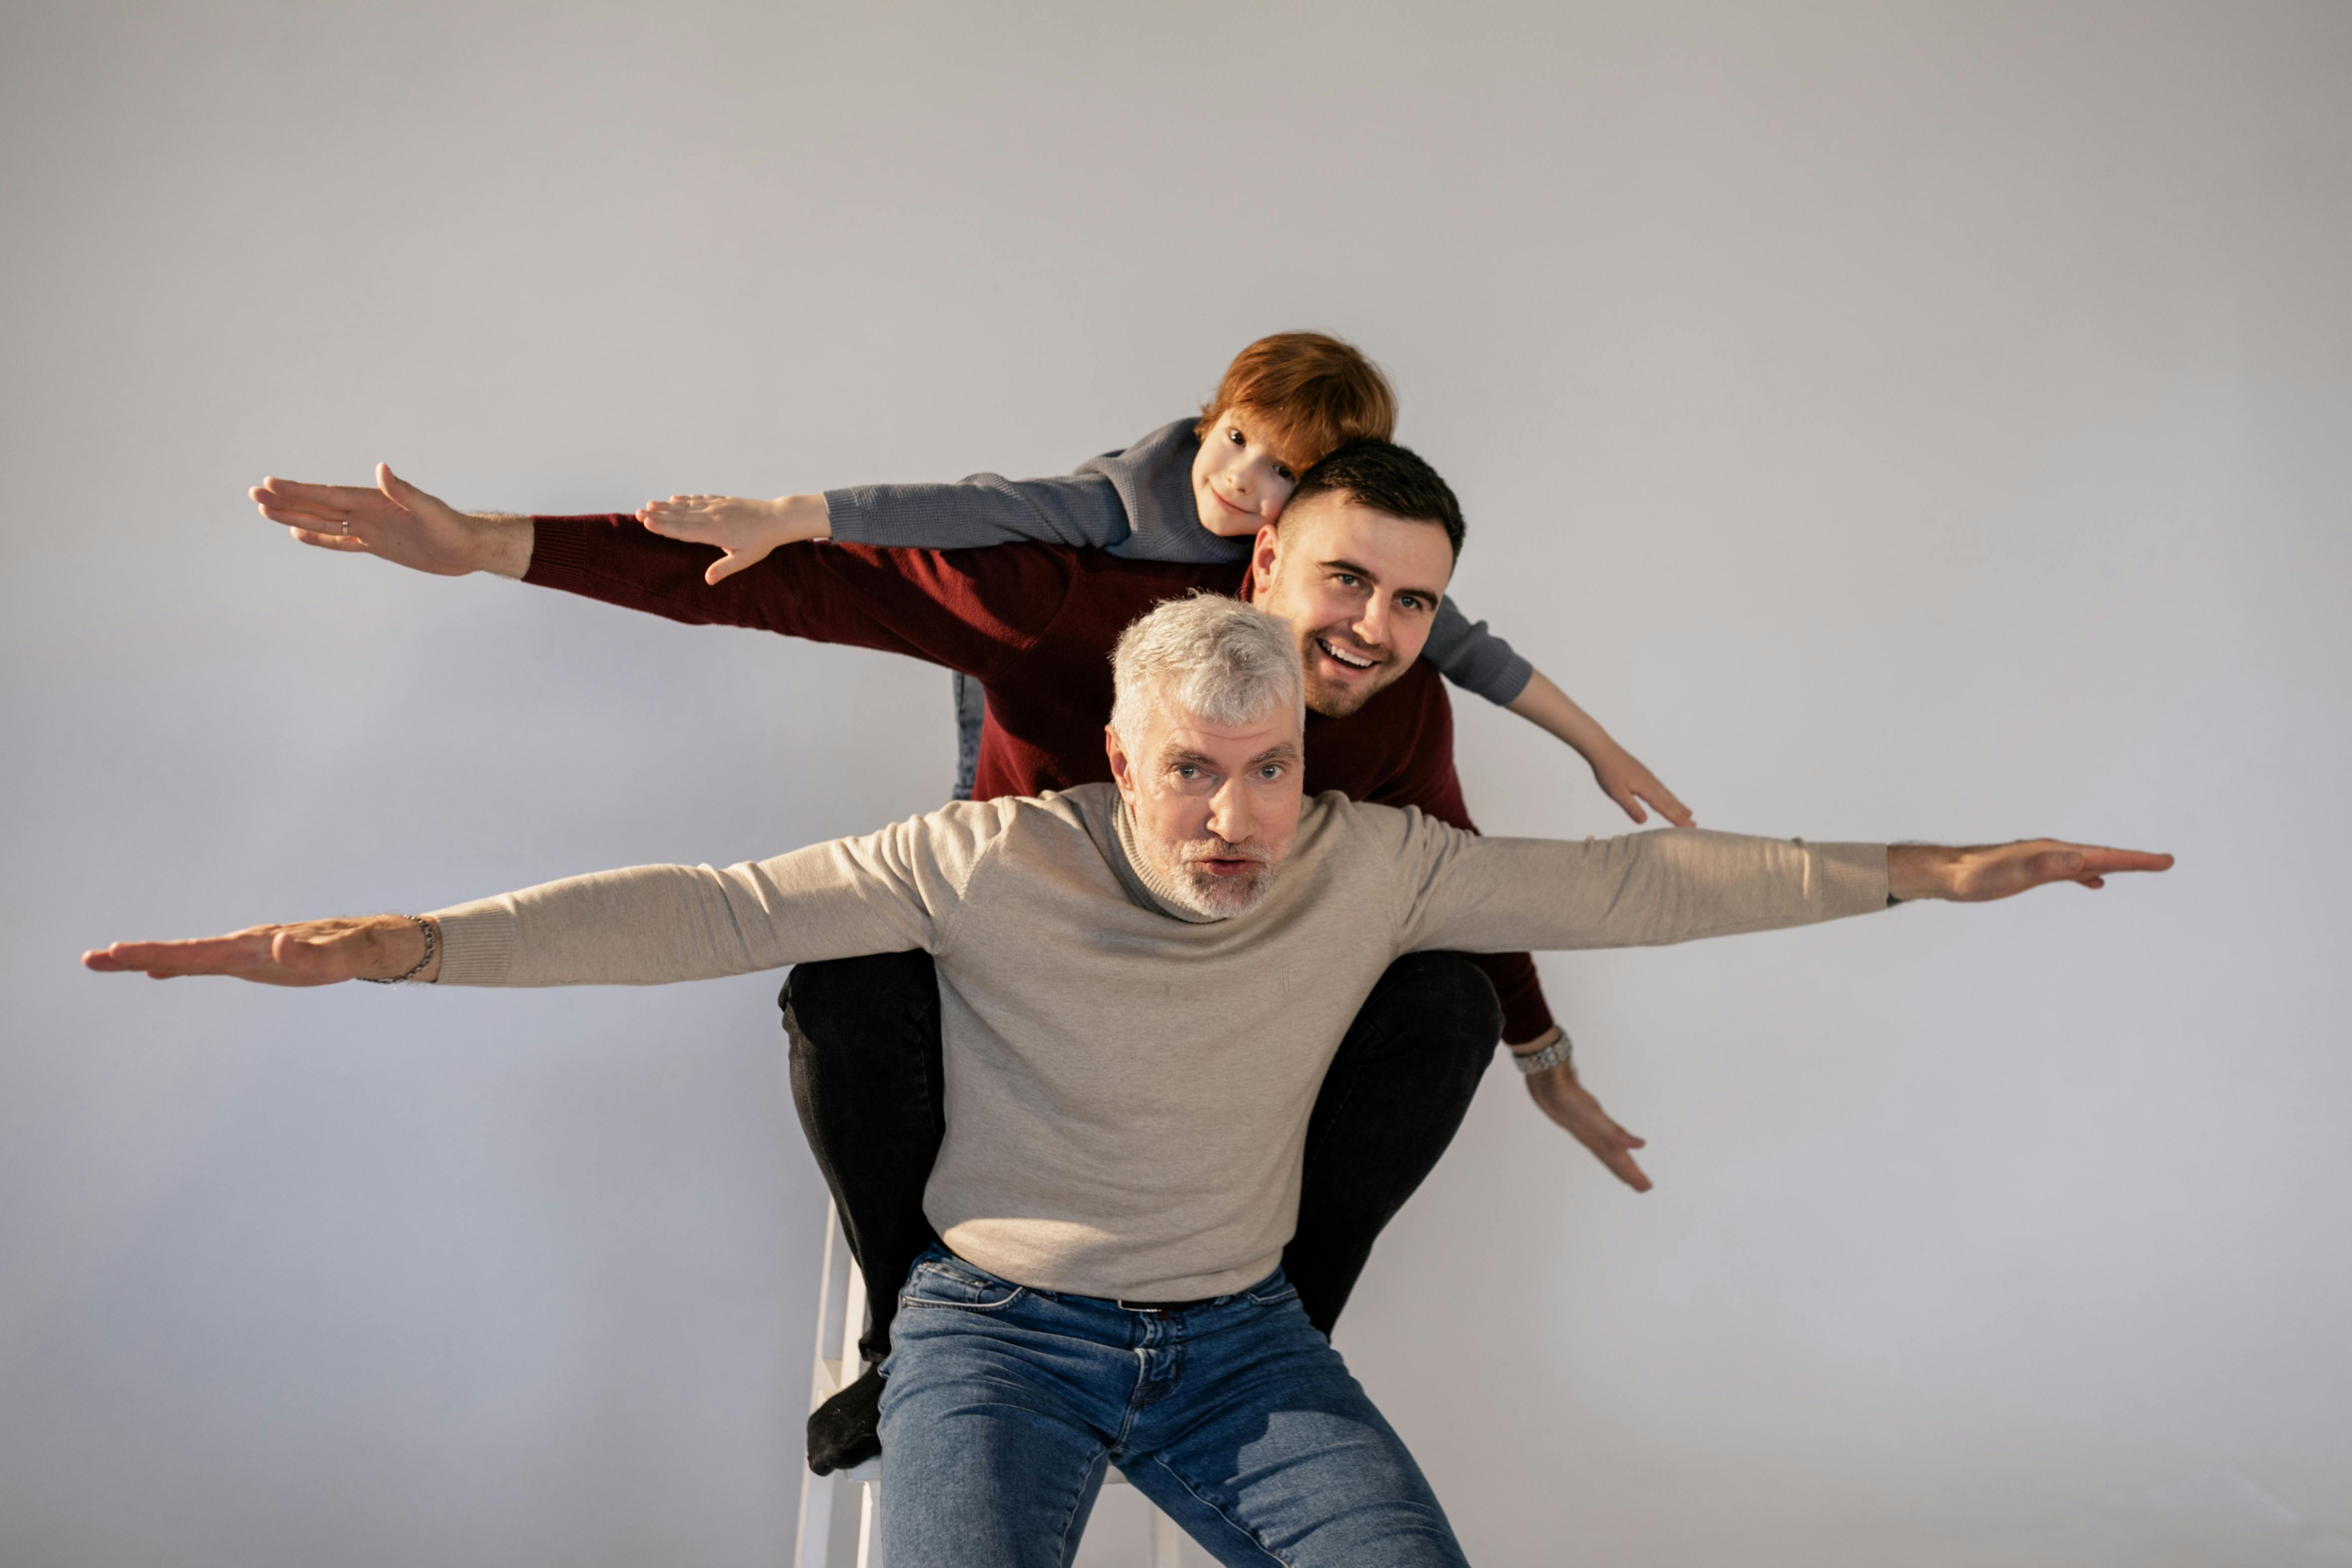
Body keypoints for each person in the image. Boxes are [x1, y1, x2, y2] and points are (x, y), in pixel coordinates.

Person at [85, 594, 2171, 1568]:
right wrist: (401, 939)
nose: (1238, 812)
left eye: (1268, 767)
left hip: (1247, 1346)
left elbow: (1638, 880)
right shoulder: (985, 857)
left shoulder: (1374, 862)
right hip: (995, 1331)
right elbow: (707, 905)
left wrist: (1921, 870)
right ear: (1122, 739)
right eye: (1196, 765)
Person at [249, 438, 1645, 1473]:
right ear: (1265, 554)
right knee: (846, 978)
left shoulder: (1389, 710)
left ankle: (1274, 1341)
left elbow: (1466, 881)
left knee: (1442, 998)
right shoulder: (1074, 612)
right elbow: (790, 587)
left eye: (1414, 608)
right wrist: (499, 542)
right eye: (1351, 583)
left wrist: (1542, 1052)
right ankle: (912, 1336)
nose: (1375, 631)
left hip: (1221, 1036)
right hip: (1020, 981)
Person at [634, 331, 1690, 826]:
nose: (1239, 481)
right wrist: (787, 516)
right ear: (1209, 415)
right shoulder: (1119, 503)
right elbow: (964, 505)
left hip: (1175, 750)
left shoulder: (1315, 558)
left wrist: (1601, 747)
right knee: (991, 696)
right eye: (1233, 439)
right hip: (1039, 696)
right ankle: (964, 808)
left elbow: (1470, 648)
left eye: (1282, 472)